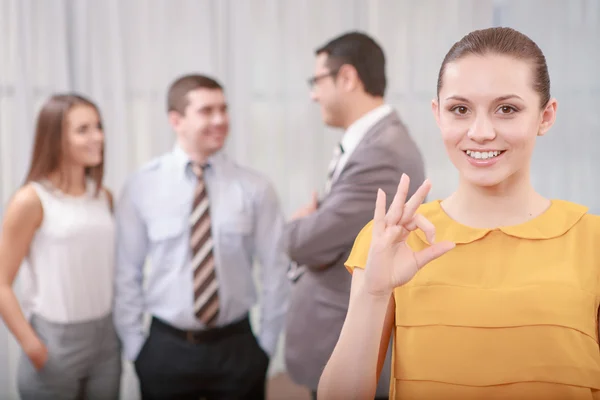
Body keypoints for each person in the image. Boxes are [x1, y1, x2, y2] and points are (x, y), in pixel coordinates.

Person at [318, 26, 600, 400]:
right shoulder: (389, 239)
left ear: (545, 116)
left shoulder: (591, 240)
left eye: (507, 109)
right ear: (438, 115)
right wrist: (373, 293)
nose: (480, 131)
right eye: (460, 109)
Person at [113, 74, 290, 400]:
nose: (220, 120)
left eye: (223, 109)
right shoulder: (142, 186)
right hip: (164, 351)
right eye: (207, 111)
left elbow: (276, 270)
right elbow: (127, 273)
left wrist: (265, 346)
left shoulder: (255, 188)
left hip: (238, 348)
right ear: (176, 120)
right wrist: (137, 349)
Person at [284, 31, 425, 399]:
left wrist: (298, 226)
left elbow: (307, 242)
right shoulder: (371, 141)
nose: (314, 94)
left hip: (350, 347)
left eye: (317, 82)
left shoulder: (383, 152)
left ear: (346, 78)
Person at [0, 94, 121, 399]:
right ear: (55, 138)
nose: (98, 137)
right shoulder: (31, 200)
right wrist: (33, 347)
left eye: (98, 126)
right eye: (83, 130)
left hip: (105, 340)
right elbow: (1, 282)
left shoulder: (103, 196)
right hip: (56, 342)